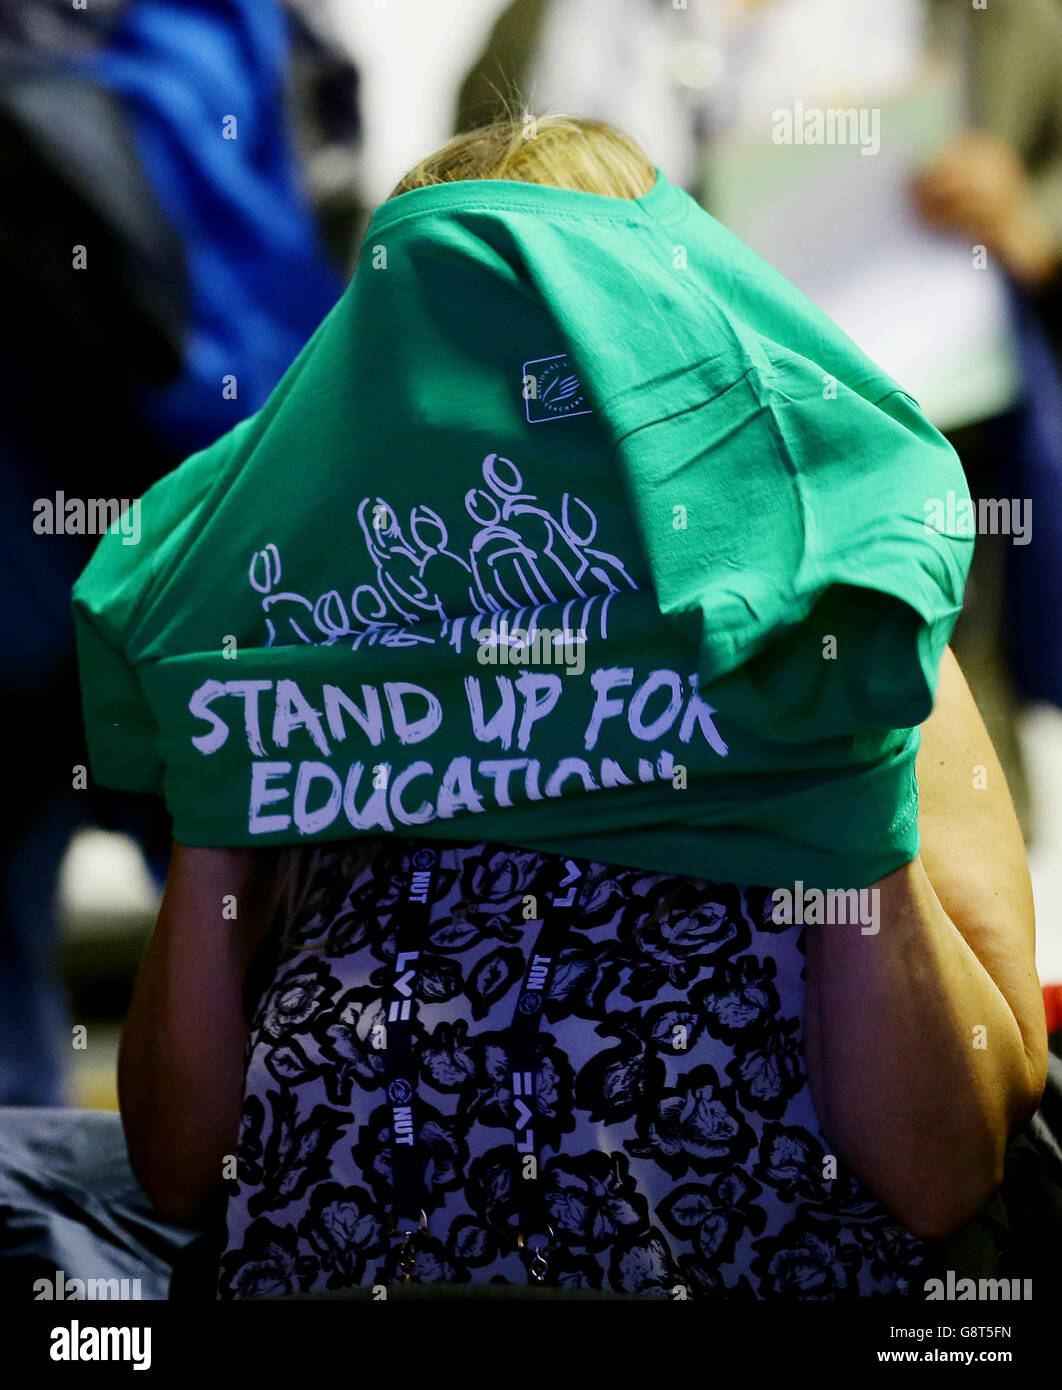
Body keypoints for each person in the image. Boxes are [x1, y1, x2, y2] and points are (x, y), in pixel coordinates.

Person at [74, 115, 1048, 1298]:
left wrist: (832, 772)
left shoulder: (849, 638)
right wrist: (226, 775)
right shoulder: (313, 652)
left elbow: (946, 1172)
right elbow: (182, 1171)